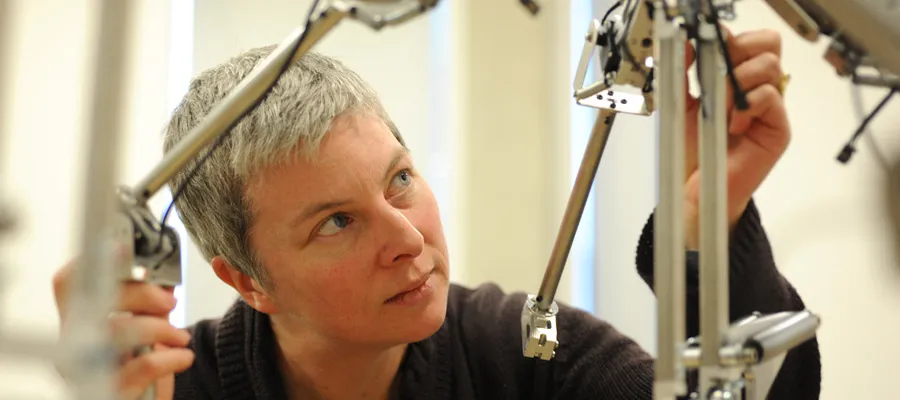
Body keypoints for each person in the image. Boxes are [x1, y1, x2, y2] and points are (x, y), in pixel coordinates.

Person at [52, 27, 820, 400]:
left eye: (400, 180)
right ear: (249, 282)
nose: (407, 236)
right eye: (336, 222)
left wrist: (705, 216)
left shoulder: (526, 355)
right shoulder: (166, 389)